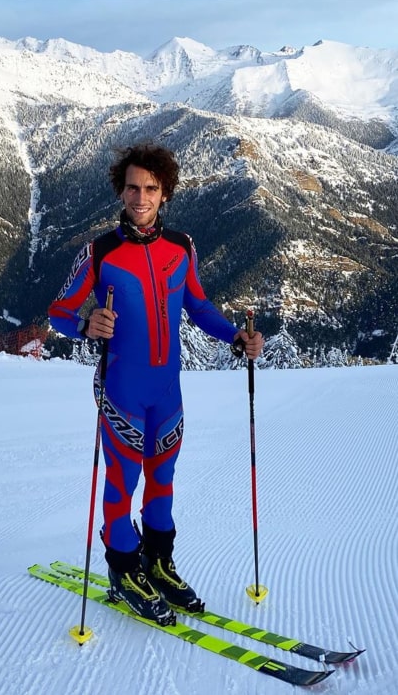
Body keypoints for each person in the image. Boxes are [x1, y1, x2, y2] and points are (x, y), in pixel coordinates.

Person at [49, 144, 264, 625]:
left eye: (150, 188)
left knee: (162, 483)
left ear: (164, 193)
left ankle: (158, 562)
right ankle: (123, 567)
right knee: (122, 484)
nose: (140, 197)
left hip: (167, 392)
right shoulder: (100, 252)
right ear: (120, 190)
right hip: (121, 390)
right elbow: (59, 311)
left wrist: (238, 336)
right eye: (132, 187)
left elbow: (199, 306)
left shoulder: (182, 248)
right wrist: (87, 325)